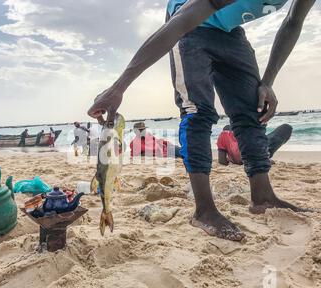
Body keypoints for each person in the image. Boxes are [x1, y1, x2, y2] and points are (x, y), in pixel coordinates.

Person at [87, 0, 316, 241]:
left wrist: (267, 82)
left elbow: (293, 22)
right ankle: (204, 210)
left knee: (253, 109)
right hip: (187, 24)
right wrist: (119, 87)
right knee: (197, 111)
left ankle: (263, 197)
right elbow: (182, 22)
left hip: (229, 31)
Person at [218, 124, 293, 166]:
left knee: (227, 127)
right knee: (287, 128)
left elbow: (222, 161)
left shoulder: (224, 134)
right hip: (255, 153)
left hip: (244, 151)